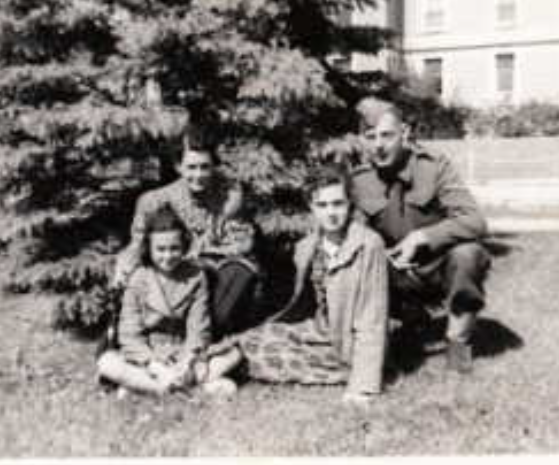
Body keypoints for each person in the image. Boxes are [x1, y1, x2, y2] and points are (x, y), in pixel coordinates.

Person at [349, 96, 491, 373]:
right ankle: (403, 325)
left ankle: (458, 343)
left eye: (387, 135)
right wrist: (380, 254)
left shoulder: (434, 166)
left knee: (469, 254)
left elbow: (475, 221)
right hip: (394, 270)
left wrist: (422, 237)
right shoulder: (360, 179)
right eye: (371, 137)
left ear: (405, 133)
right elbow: (356, 235)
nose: (379, 145)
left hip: (438, 268)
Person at [238, 165, 389, 406]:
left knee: (271, 354)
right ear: (312, 207)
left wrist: (363, 386)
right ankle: (210, 372)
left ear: (350, 204)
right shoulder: (307, 246)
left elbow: (372, 318)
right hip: (318, 330)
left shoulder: (368, 244)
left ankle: (345, 372)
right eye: (322, 205)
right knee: (252, 338)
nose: (331, 213)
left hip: (349, 341)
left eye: (338, 204)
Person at [112, 124, 261, 337]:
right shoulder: (156, 201)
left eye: (204, 167)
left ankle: (207, 333)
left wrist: (206, 255)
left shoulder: (228, 195)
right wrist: (124, 265)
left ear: (213, 167)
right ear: (178, 166)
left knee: (239, 272)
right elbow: (137, 245)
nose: (198, 175)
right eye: (191, 167)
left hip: (211, 274)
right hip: (168, 274)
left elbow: (243, 242)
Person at [97, 205, 243, 397]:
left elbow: (199, 328)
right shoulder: (138, 278)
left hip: (184, 353)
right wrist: (155, 366)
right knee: (107, 363)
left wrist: (187, 362)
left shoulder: (196, 276)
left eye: (174, 248)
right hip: (149, 356)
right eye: (160, 249)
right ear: (149, 249)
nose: (168, 256)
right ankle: (184, 387)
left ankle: (146, 387)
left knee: (234, 354)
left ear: (184, 246)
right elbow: (129, 334)